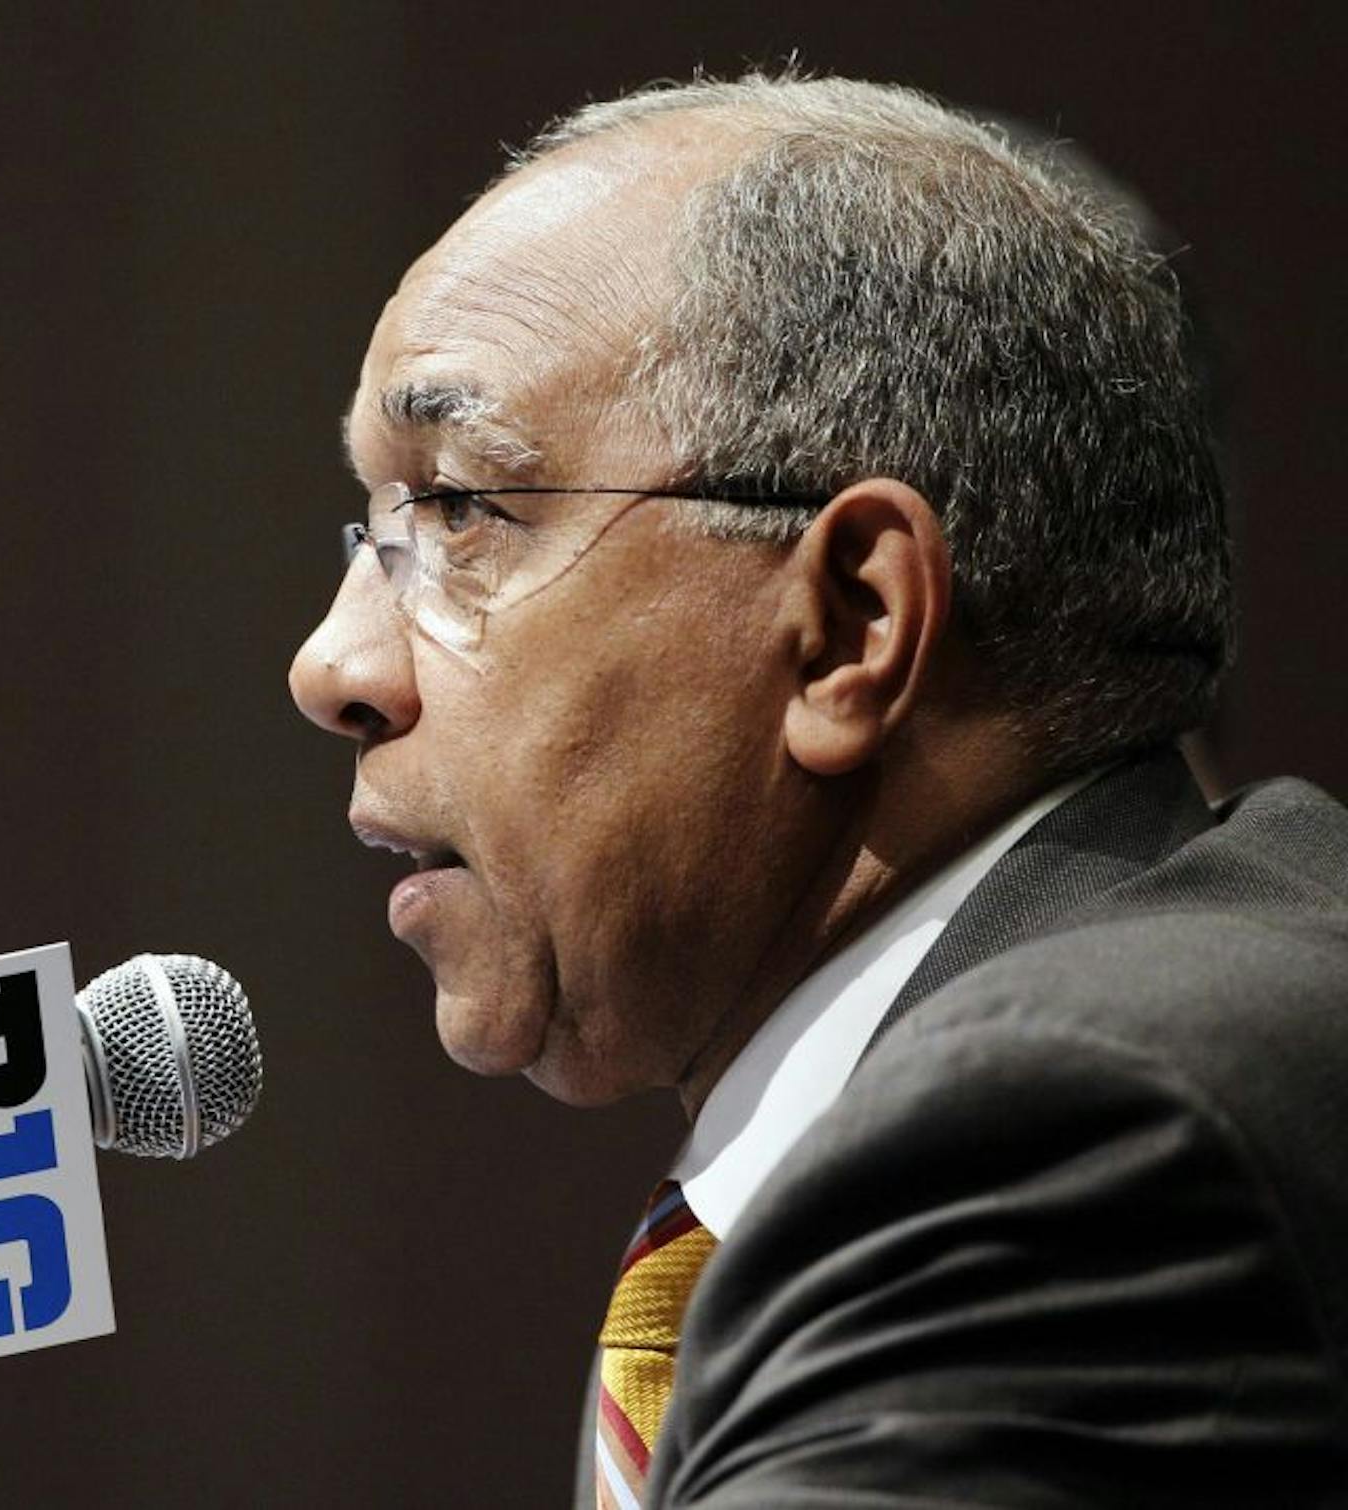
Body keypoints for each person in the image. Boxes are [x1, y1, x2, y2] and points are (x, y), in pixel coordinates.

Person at [287, 72, 1348, 1508]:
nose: (333, 664)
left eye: (463, 507)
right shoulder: (844, 1171)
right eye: (373, 526)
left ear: (851, 625)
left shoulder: (1070, 1135)